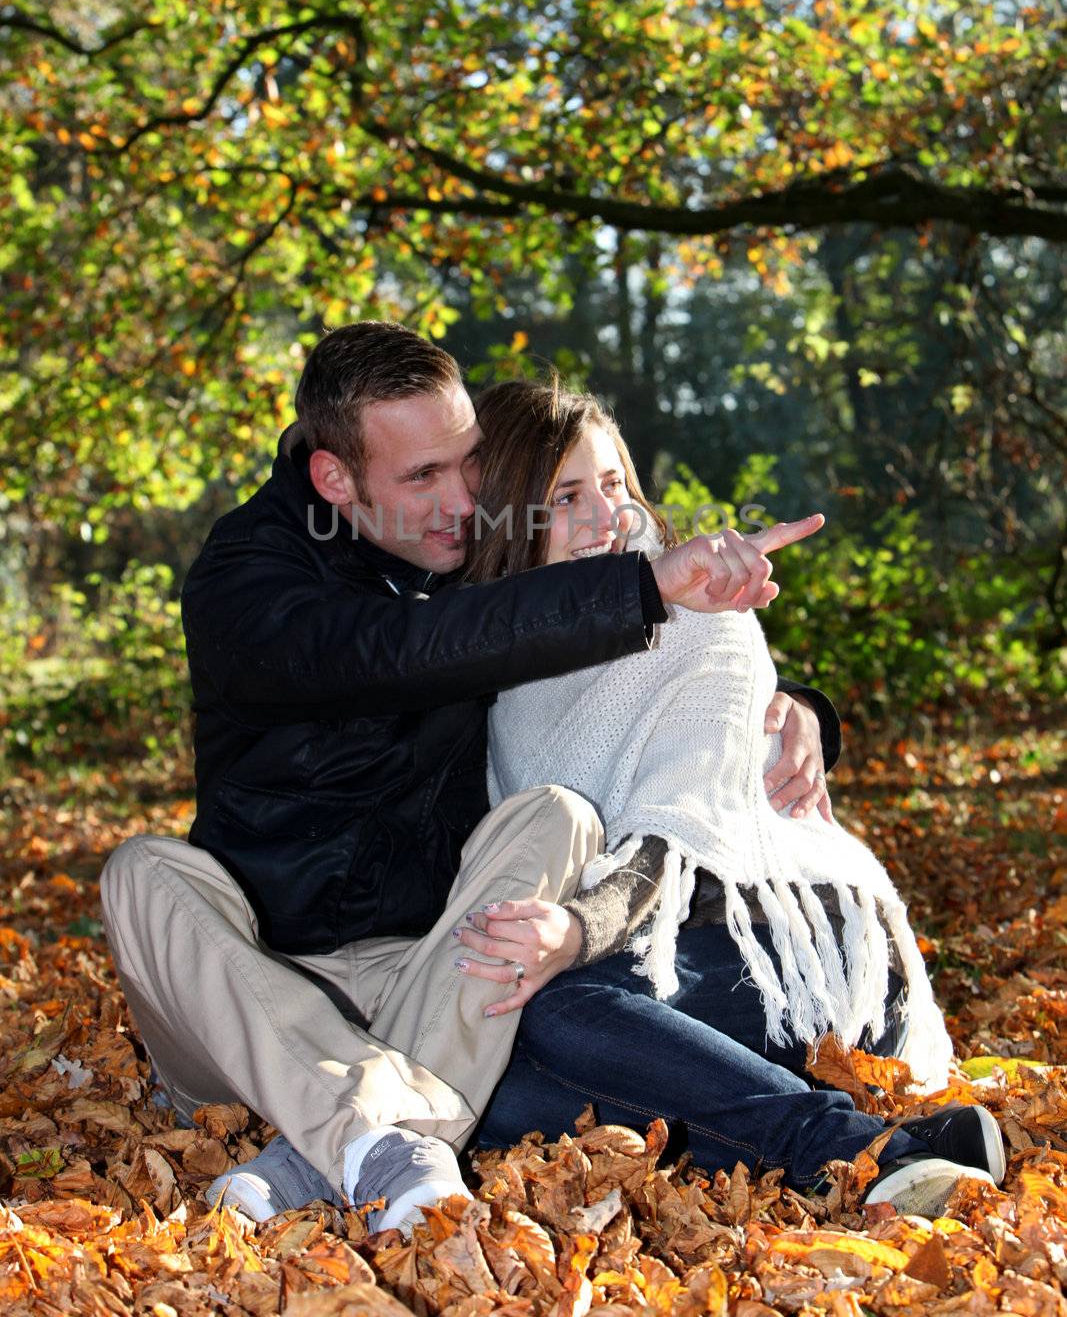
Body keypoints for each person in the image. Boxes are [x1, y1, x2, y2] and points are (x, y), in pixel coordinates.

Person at [99, 322, 834, 1231]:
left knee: (555, 816)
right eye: (422, 478)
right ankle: (367, 1135)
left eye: (469, 465)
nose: (461, 501)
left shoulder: (460, 551)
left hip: (433, 974)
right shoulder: (245, 583)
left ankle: (343, 1152)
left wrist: (788, 707)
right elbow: (400, 651)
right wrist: (643, 586)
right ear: (335, 479)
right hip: (255, 994)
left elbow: (608, 656)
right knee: (141, 872)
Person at [455, 377, 1004, 1217]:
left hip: (792, 946)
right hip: (653, 964)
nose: (605, 518)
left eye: (612, 485)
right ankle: (900, 1144)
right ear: (506, 515)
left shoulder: (696, 614)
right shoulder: (489, 660)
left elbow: (667, 842)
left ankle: (857, 1152)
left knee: (552, 1015)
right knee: (494, 1098)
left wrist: (574, 931)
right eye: (566, 497)